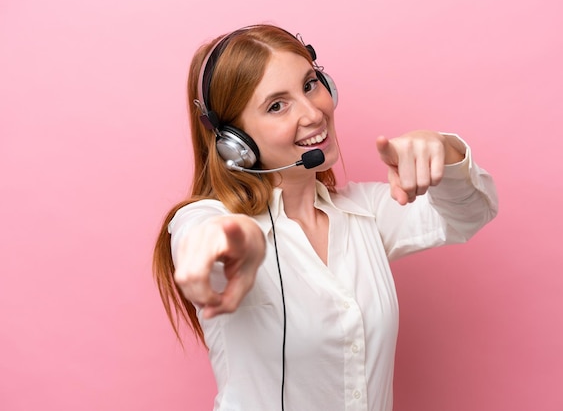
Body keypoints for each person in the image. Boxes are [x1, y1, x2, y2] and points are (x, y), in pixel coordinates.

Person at [153, 24, 498, 411]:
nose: (313, 112)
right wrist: (237, 243)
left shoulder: (364, 213)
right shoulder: (206, 218)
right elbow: (203, 238)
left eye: (310, 84)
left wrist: (442, 148)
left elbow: (470, 212)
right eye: (277, 105)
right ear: (235, 144)